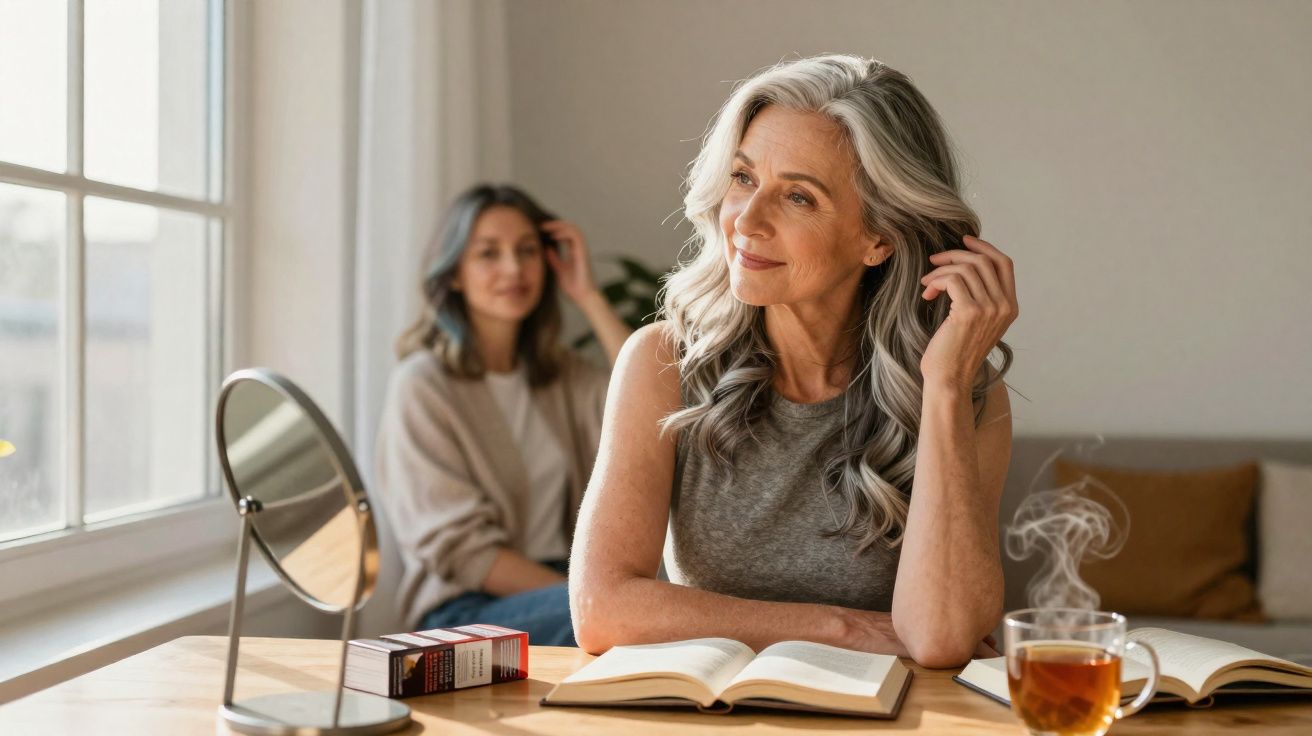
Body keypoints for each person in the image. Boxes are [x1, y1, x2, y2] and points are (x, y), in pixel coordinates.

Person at [569, 55, 1019, 668]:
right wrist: (843, 628)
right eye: (743, 177)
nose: (746, 222)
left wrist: (942, 388)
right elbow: (601, 609)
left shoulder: (964, 391)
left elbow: (941, 638)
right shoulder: (663, 362)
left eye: (799, 197)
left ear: (879, 238)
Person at [375, 184, 631, 645]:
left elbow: (651, 405)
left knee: (657, 611)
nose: (513, 268)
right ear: (454, 273)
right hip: (464, 608)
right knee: (644, 618)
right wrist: (592, 598)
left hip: (564, 590)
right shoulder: (423, 385)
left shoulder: (561, 376)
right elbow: (462, 552)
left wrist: (588, 294)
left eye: (527, 251)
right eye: (489, 254)